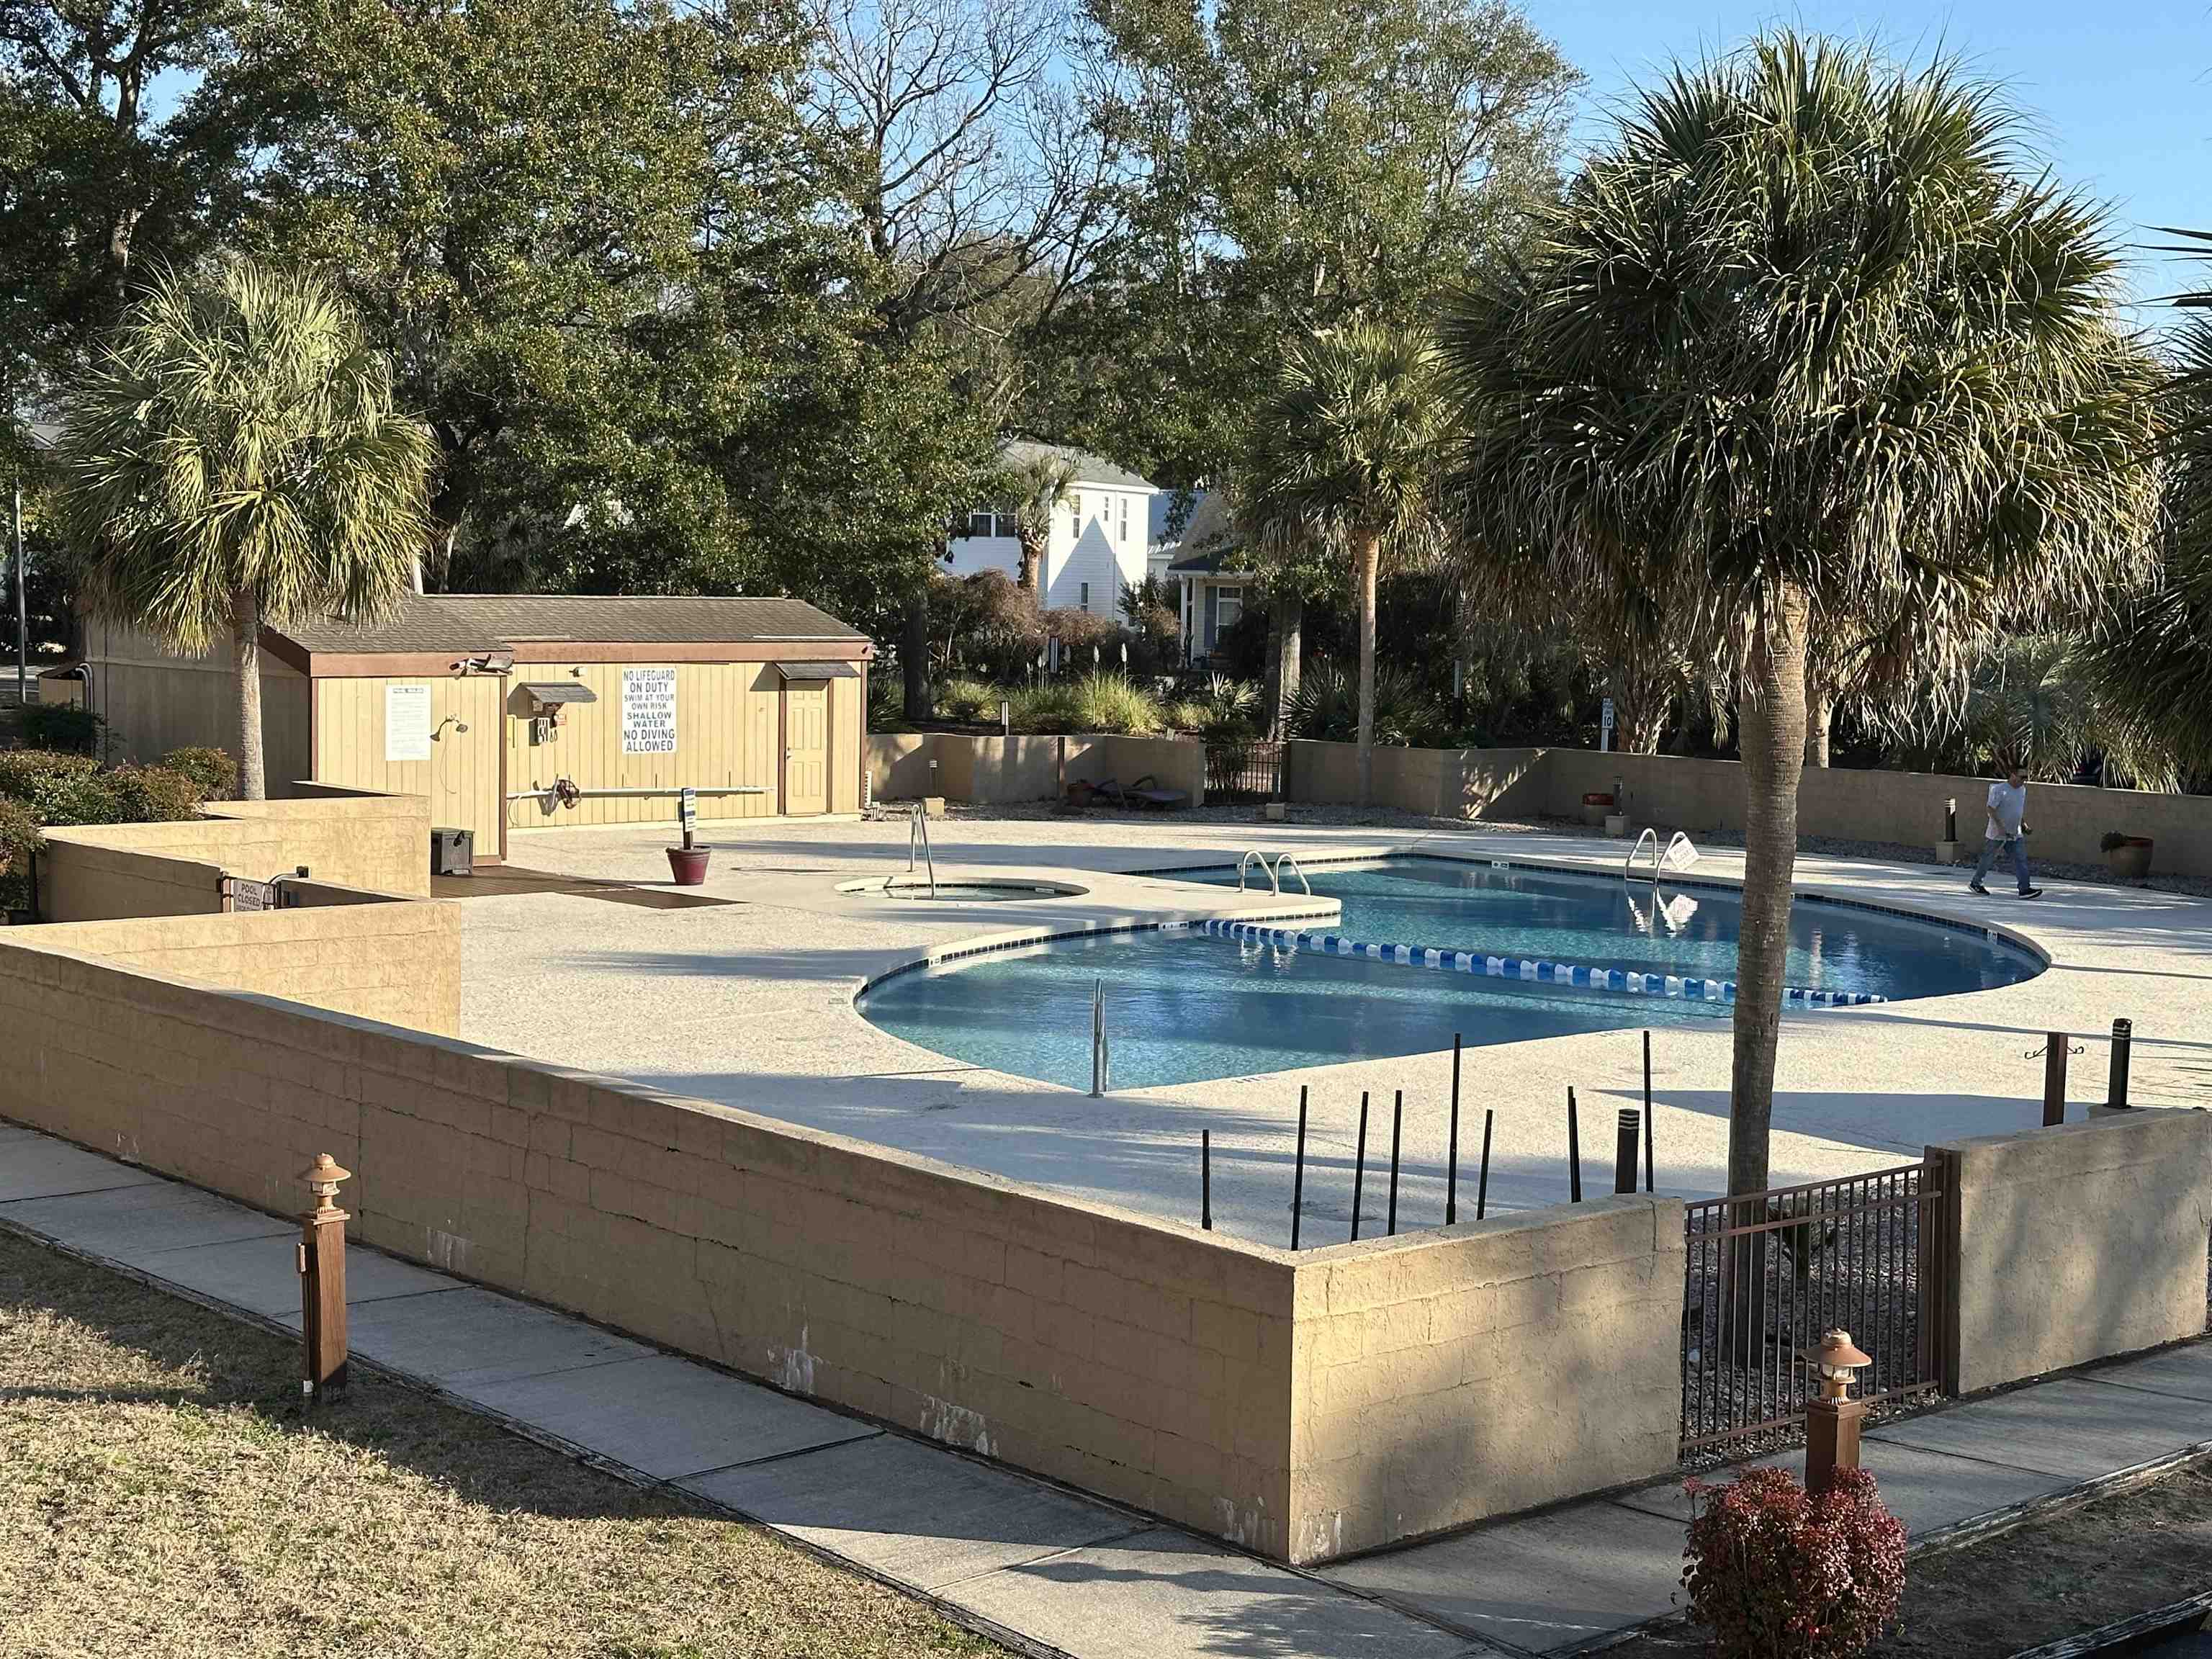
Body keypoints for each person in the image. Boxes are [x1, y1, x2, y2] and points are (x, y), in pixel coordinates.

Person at [1970, 764, 2041, 898]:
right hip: (1998, 833)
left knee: (2021, 859)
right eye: (2022, 777)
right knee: (1988, 859)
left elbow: (2017, 810)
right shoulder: (2000, 790)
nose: (2024, 780)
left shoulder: (2022, 790)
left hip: (2015, 832)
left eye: (2026, 777)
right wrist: (2000, 827)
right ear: (2013, 775)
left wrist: (2024, 825)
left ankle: (2024, 889)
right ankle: (1976, 883)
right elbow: (1990, 809)